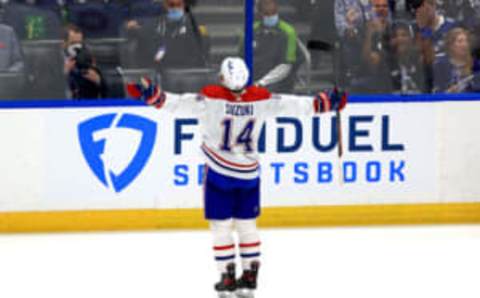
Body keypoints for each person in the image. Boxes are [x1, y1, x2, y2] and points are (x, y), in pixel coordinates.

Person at [126, 57, 347, 298]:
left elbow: (177, 104)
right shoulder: (261, 98)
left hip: (219, 174)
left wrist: (151, 95)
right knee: (247, 225)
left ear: (222, 78)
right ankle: (250, 275)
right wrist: (325, 102)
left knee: (221, 226)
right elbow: (295, 105)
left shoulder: (210, 98)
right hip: (249, 175)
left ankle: (227, 274)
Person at [123, 0, 209, 70]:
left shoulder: (195, 28)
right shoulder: (152, 27)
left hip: (187, 76)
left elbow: (200, 54)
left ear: (184, 5)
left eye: (178, 5)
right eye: (171, 5)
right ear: (165, 5)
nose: (175, 9)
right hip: (161, 76)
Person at [246, 0, 298, 92]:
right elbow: (242, 56)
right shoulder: (251, 30)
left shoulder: (289, 32)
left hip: (277, 82)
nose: (270, 17)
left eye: (273, 13)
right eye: (267, 14)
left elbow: (286, 66)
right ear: (260, 14)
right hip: (252, 78)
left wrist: (261, 83)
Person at [63, 24, 107, 99]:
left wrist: (98, 81)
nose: (77, 47)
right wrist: (64, 73)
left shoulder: (88, 59)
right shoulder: (53, 62)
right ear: (63, 43)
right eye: (73, 43)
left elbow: (109, 92)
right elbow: (45, 90)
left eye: (79, 43)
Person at [433, 27, 480, 93]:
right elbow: (435, 90)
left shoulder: (477, 64)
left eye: (466, 41)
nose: (464, 44)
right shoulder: (440, 65)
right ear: (450, 45)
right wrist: (448, 92)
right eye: (460, 41)